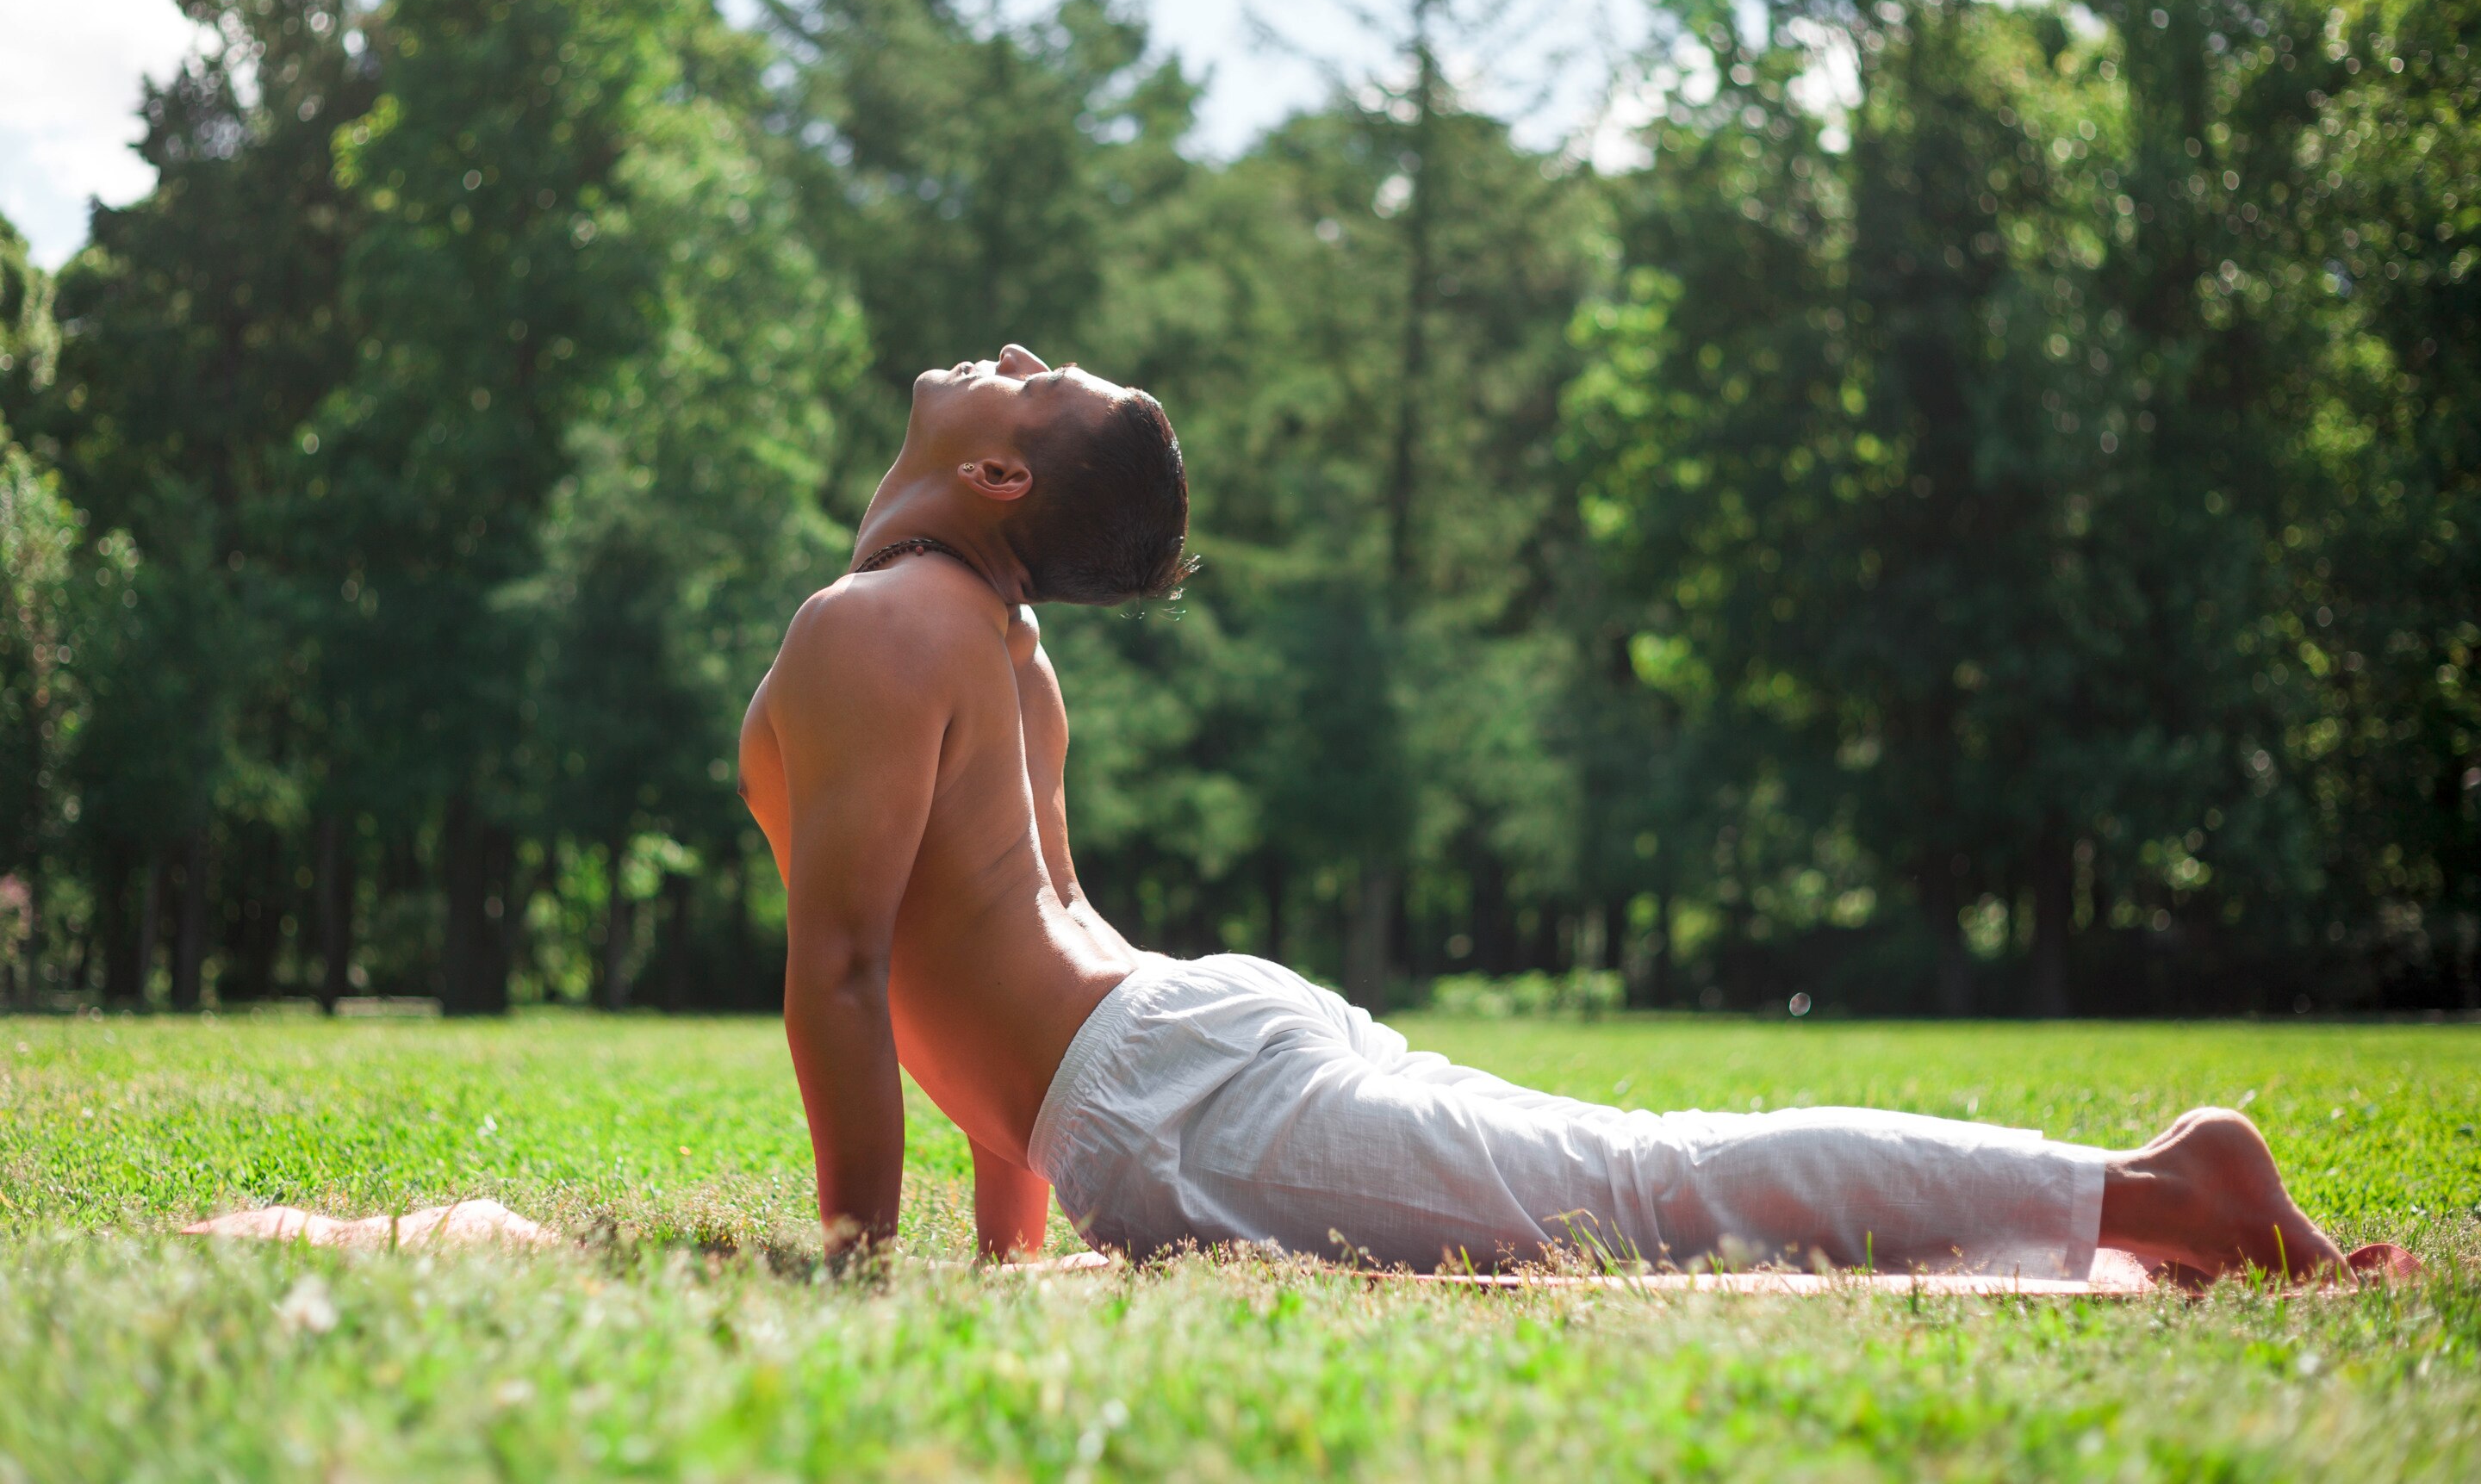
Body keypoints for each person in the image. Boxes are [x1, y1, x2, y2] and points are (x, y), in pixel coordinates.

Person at [736, 342, 2346, 1285]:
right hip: (1166, 1060)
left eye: (1037, 383)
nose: (1010, 359)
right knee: (1631, 1183)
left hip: (1174, 1092)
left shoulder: (876, 628)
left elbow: (861, 976)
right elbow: (982, 965)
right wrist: (1003, 1264)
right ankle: (2140, 1192)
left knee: (1643, 1198)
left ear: (1003, 482)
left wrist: (854, 1266)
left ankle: (2160, 1189)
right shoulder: (980, 638)